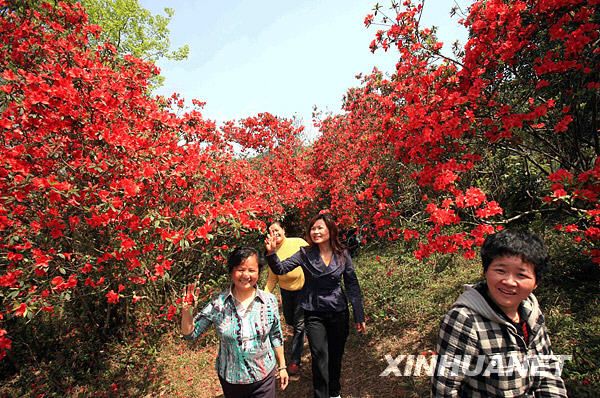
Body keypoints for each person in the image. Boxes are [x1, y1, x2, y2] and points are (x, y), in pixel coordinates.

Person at [432, 229, 568, 397]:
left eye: (521, 274)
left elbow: (548, 374)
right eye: (500, 271)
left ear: (536, 283)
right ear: (485, 271)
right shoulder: (464, 320)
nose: (509, 282)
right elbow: (445, 389)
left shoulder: (532, 314)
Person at [265, 213, 367, 398]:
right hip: (314, 312)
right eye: (313, 228)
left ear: (330, 230)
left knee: (335, 357)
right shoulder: (305, 254)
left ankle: (334, 392)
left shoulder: (342, 253)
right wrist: (271, 254)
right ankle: (321, 394)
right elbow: (281, 269)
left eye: (320, 227)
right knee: (319, 356)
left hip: (338, 311)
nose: (316, 231)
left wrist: (358, 314)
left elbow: (352, 284)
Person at [181, 247, 289, 398]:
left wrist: (282, 366)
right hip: (232, 380)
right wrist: (187, 311)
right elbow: (190, 334)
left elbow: (276, 335)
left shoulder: (268, 301)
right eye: (240, 269)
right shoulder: (218, 304)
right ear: (231, 271)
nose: (246, 275)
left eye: (251, 270)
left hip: (264, 377)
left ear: (259, 271)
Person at [264, 221, 309, 375]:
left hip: (303, 290)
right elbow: (272, 278)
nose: (274, 233)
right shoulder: (271, 251)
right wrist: (263, 297)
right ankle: (305, 330)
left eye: (277, 230)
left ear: (284, 230)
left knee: (299, 325)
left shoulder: (298, 243)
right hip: (286, 292)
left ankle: (295, 361)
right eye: (271, 231)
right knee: (290, 320)